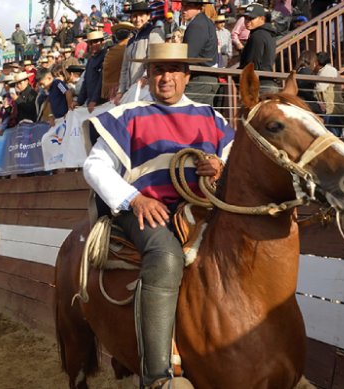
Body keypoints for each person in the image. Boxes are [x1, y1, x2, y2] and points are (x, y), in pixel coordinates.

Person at [84, 42, 234, 389]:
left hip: (201, 208)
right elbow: (95, 166)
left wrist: (220, 166)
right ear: (148, 76)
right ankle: (157, 377)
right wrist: (134, 199)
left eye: (173, 71)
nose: (165, 77)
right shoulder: (127, 116)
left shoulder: (212, 117)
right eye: (157, 71)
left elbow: (234, 161)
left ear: (187, 76)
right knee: (166, 256)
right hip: (147, 211)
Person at [115, 0, 164, 103]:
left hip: (147, 91)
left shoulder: (154, 33)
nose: (137, 19)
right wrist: (120, 91)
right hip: (131, 91)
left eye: (141, 15)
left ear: (148, 16)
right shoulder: (131, 40)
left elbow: (156, 60)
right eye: (134, 16)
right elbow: (125, 68)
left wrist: (146, 76)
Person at [182, 0, 219, 105]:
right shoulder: (204, 21)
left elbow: (189, 56)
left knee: (183, 111)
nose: (183, 10)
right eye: (183, 6)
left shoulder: (197, 24)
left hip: (199, 79)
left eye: (188, 6)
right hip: (207, 79)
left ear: (198, 7)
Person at [238, 3, 279, 93]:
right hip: (267, 83)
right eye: (246, 18)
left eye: (251, 18)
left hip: (259, 85)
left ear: (262, 19)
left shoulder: (257, 35)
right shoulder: (268, 33)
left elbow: (252, 64)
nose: (247, 21)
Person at [76, 31, 108, 112]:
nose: (93, 45)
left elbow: (102, 80)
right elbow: (85, 82)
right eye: (90, 43)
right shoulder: (90, 60)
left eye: (96, 42)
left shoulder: (106, 56)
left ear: (102, 42)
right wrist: (79, 101)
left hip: (102, 103)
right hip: (91, 103)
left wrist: (95, 100)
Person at [103, 22, 135, 100]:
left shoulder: (110, 52)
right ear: (130, 34)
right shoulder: (131, 48)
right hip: (125, 89)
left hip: (112, 91)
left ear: (116, 37)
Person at [316, 51, 344, 136]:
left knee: (332, 136)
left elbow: (320, 87)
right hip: (333, 109)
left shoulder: (328, 70)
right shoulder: (330, 70)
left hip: (332, 110)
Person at [295, 51, 323, 115]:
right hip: (307, 104)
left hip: (300, 102)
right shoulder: (307, 72)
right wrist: (317, 101)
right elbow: (306, 91)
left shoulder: (299, 70)